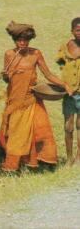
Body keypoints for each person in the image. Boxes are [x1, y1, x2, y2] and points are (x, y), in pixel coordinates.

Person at [0, 21, 73, 172]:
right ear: (14, 40)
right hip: (14, 99)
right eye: (19, 40)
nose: (23, 43)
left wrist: (64, 85)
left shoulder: (35, 53)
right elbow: (7, 79)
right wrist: (6, 76)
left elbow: (48, 74)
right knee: (15, 132)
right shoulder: (9, 54)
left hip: (31, 98)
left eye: (26, 40)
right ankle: (13, 164)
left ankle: (35, 161)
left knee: (39, 130)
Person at [56, 17, 80, 165]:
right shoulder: (65, 46)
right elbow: (59, 61)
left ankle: (79, 158)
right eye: (77, 30)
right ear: (72, 31)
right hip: (69, 93)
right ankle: (69, 157)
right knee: (68, 126)